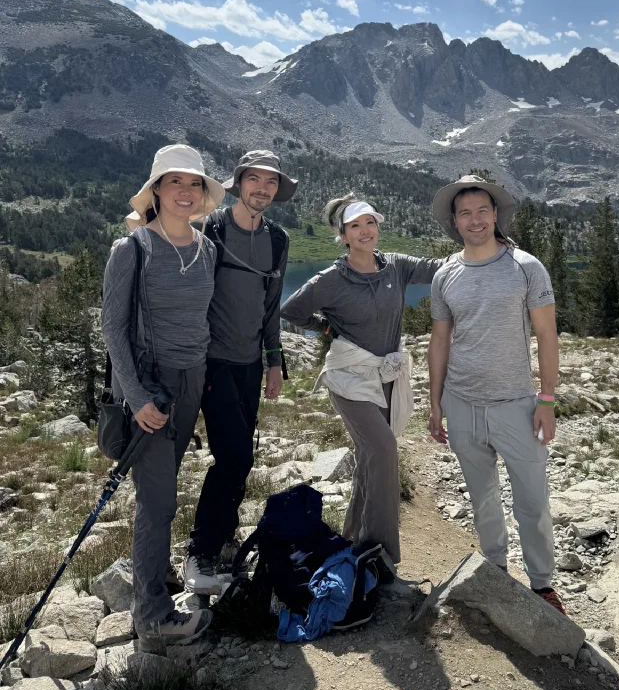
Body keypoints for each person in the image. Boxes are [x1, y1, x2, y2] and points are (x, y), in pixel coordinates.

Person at [280, 195, 448, 581]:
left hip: (386, 376)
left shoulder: (397, 266)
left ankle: (354, 539)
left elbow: (440, 269)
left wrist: (481, 244)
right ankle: (380, 554)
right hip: (350, 377)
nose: (364, 230)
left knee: (371, 458)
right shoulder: (331, 280)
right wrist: (327, 327)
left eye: (369, 222)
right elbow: (291, 311)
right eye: (355, 225)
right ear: (343, 235)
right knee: (384, 449)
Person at [102, 144, 225, 650]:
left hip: (190, 382)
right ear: (155, 191)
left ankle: (153, 582)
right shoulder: (131, 249)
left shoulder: (207, 249)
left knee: (164, 491)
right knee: (157, 502)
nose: (185, 191)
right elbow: (113, 329)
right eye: (174, 182)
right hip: (149, 388)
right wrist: (135, 397)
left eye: (194, 184)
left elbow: (200, 321)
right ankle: (151, 616)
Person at [426, 176, 565, 614]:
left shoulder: (526, 267)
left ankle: (542, 584)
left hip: (516, 403)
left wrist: (547, 398)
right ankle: (496, 572)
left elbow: (546, 334)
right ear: (454, 221)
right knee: (482, 496)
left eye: (483, 210)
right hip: (462, 403)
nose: (475, 219)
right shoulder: (445, 274)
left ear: (496, 214)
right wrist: (435, 401)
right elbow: (440, 340)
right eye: (465, 213)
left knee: (532, 499)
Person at [184, 150, 297, 595]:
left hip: (251, 363)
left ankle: (223, 538)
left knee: (239, 455)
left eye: (271, 183)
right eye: (255, 180)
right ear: (238, 183)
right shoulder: (211, 230)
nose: (263, 190)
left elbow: (271, 307)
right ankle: (201, 550)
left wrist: (274, 361)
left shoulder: (279, 240)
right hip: (213, 362)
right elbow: (194, 297)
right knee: (234, 457)